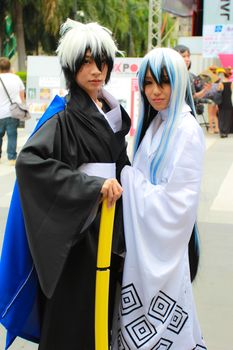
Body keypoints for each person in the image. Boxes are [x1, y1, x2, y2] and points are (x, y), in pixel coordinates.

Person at [0, 19, 130, 349]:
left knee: (104, 311)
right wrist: (91, 187)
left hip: (110, 226)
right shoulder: (62, 116)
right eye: (85, 62)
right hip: (78, 233)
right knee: (74, 315)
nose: (95, 70)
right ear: (71, 68)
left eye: (101, 62)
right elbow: (30, 163)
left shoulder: (111, 111)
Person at [112, 48, 207, 349]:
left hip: (164, 250)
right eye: (149, 83)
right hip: (144, 248)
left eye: (164, 82)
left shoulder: (186, 129)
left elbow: (176, 207)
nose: (155, 91)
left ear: (178, 82)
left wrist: (125, 176)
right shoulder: (158, 122)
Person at [0, 57, 25, 165]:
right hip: (13, 112)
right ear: (9, 67)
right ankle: (11, 158)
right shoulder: (16, 78)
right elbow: (22, 96)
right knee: (12, 135)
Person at [217, 67, 233, 138]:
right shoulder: (231, 83)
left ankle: (221, 131)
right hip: (229, 102)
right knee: (227, 117)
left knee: (221, 117)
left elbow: (218, 91)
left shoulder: (220, 83)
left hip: (222, 102)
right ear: (229, 75)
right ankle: (225, 132)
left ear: (223, 74)